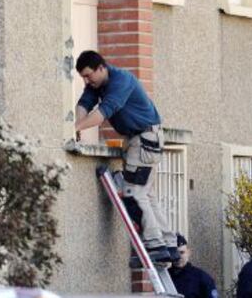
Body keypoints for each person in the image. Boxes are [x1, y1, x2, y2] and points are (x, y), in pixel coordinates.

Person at [75, 50, 178, 262]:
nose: (87, 80)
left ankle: (154, 244)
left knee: (133, 193)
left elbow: (104, 112)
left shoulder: (121, 81)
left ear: (101, 68)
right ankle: (169, 243)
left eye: (88, 75)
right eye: (83, 77)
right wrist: (77, 125)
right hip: (142, 139)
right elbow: (84, 104)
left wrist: (76, 127)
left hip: (144, 140)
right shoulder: (98, 84)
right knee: (147, 195)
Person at [168, 233, 219, 298]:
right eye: (175, 253)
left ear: (188, 253)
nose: (179, 257)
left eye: (182, 252)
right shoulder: (164, 276)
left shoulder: (201, 278)